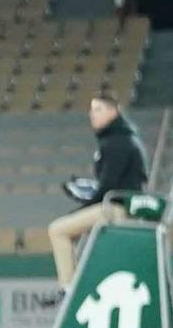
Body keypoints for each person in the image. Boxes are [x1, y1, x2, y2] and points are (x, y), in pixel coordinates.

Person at [44, 95, 149, 286]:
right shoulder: (122, 138)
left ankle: (67, 287)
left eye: (98, 109)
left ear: (113, 111)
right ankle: (73, 281)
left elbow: (108, 186)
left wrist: (83, 208)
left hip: (116, 207)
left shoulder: (117, 143)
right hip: (119, 203)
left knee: (58, 230)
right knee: (70, 229)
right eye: (92, 110)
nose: (92, 114)